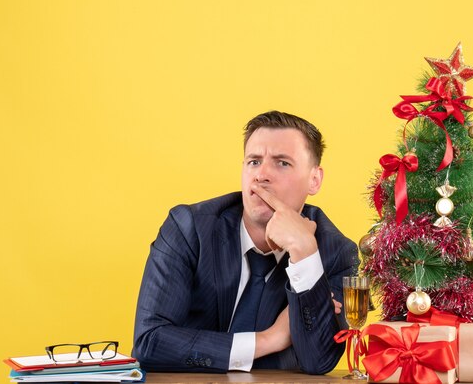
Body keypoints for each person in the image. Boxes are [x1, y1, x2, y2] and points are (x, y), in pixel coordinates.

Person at [133, 111, 359, 374]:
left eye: (282, 163)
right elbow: (148, 344)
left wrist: (305, 254)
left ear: (314, 179)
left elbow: (319, 361)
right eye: (253, 161)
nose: (261, 175)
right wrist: (269, 339)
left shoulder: (336, 252)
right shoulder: (189, 227)